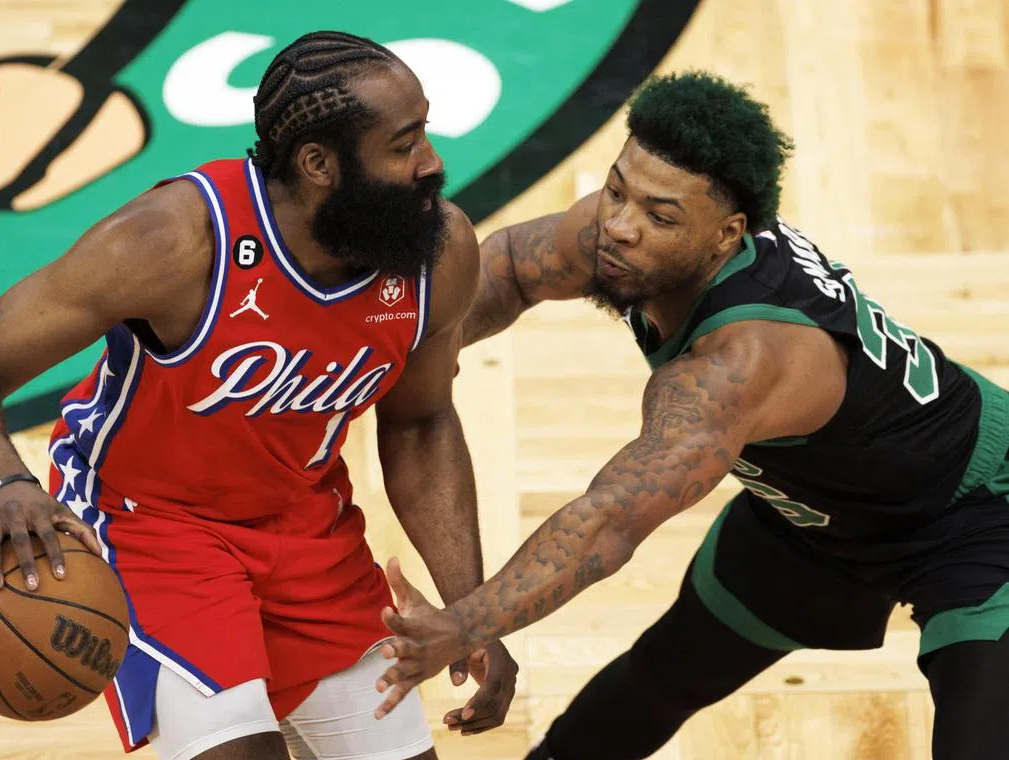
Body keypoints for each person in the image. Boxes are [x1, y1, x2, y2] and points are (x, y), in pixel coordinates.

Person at [369, 71, 1009, 759]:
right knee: (666, 673)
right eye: (618, 189)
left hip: (979, 521)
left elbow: (607, 523)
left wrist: (462, 624)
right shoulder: (615, 235)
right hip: (813, 518)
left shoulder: (738, 363)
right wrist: (378, 359)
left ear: (726, 234)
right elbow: (506, 272)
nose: (618, 227)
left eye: (659, 216)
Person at [0, 30, 517, 760]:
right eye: (404, 144)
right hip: (150, 524)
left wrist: (473, 611)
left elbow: (421, 424)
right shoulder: (171, 243)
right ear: (318, 164)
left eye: (424, 131)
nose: (432, 163)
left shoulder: (436, 251)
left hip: (304, 525)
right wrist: (6, 484)